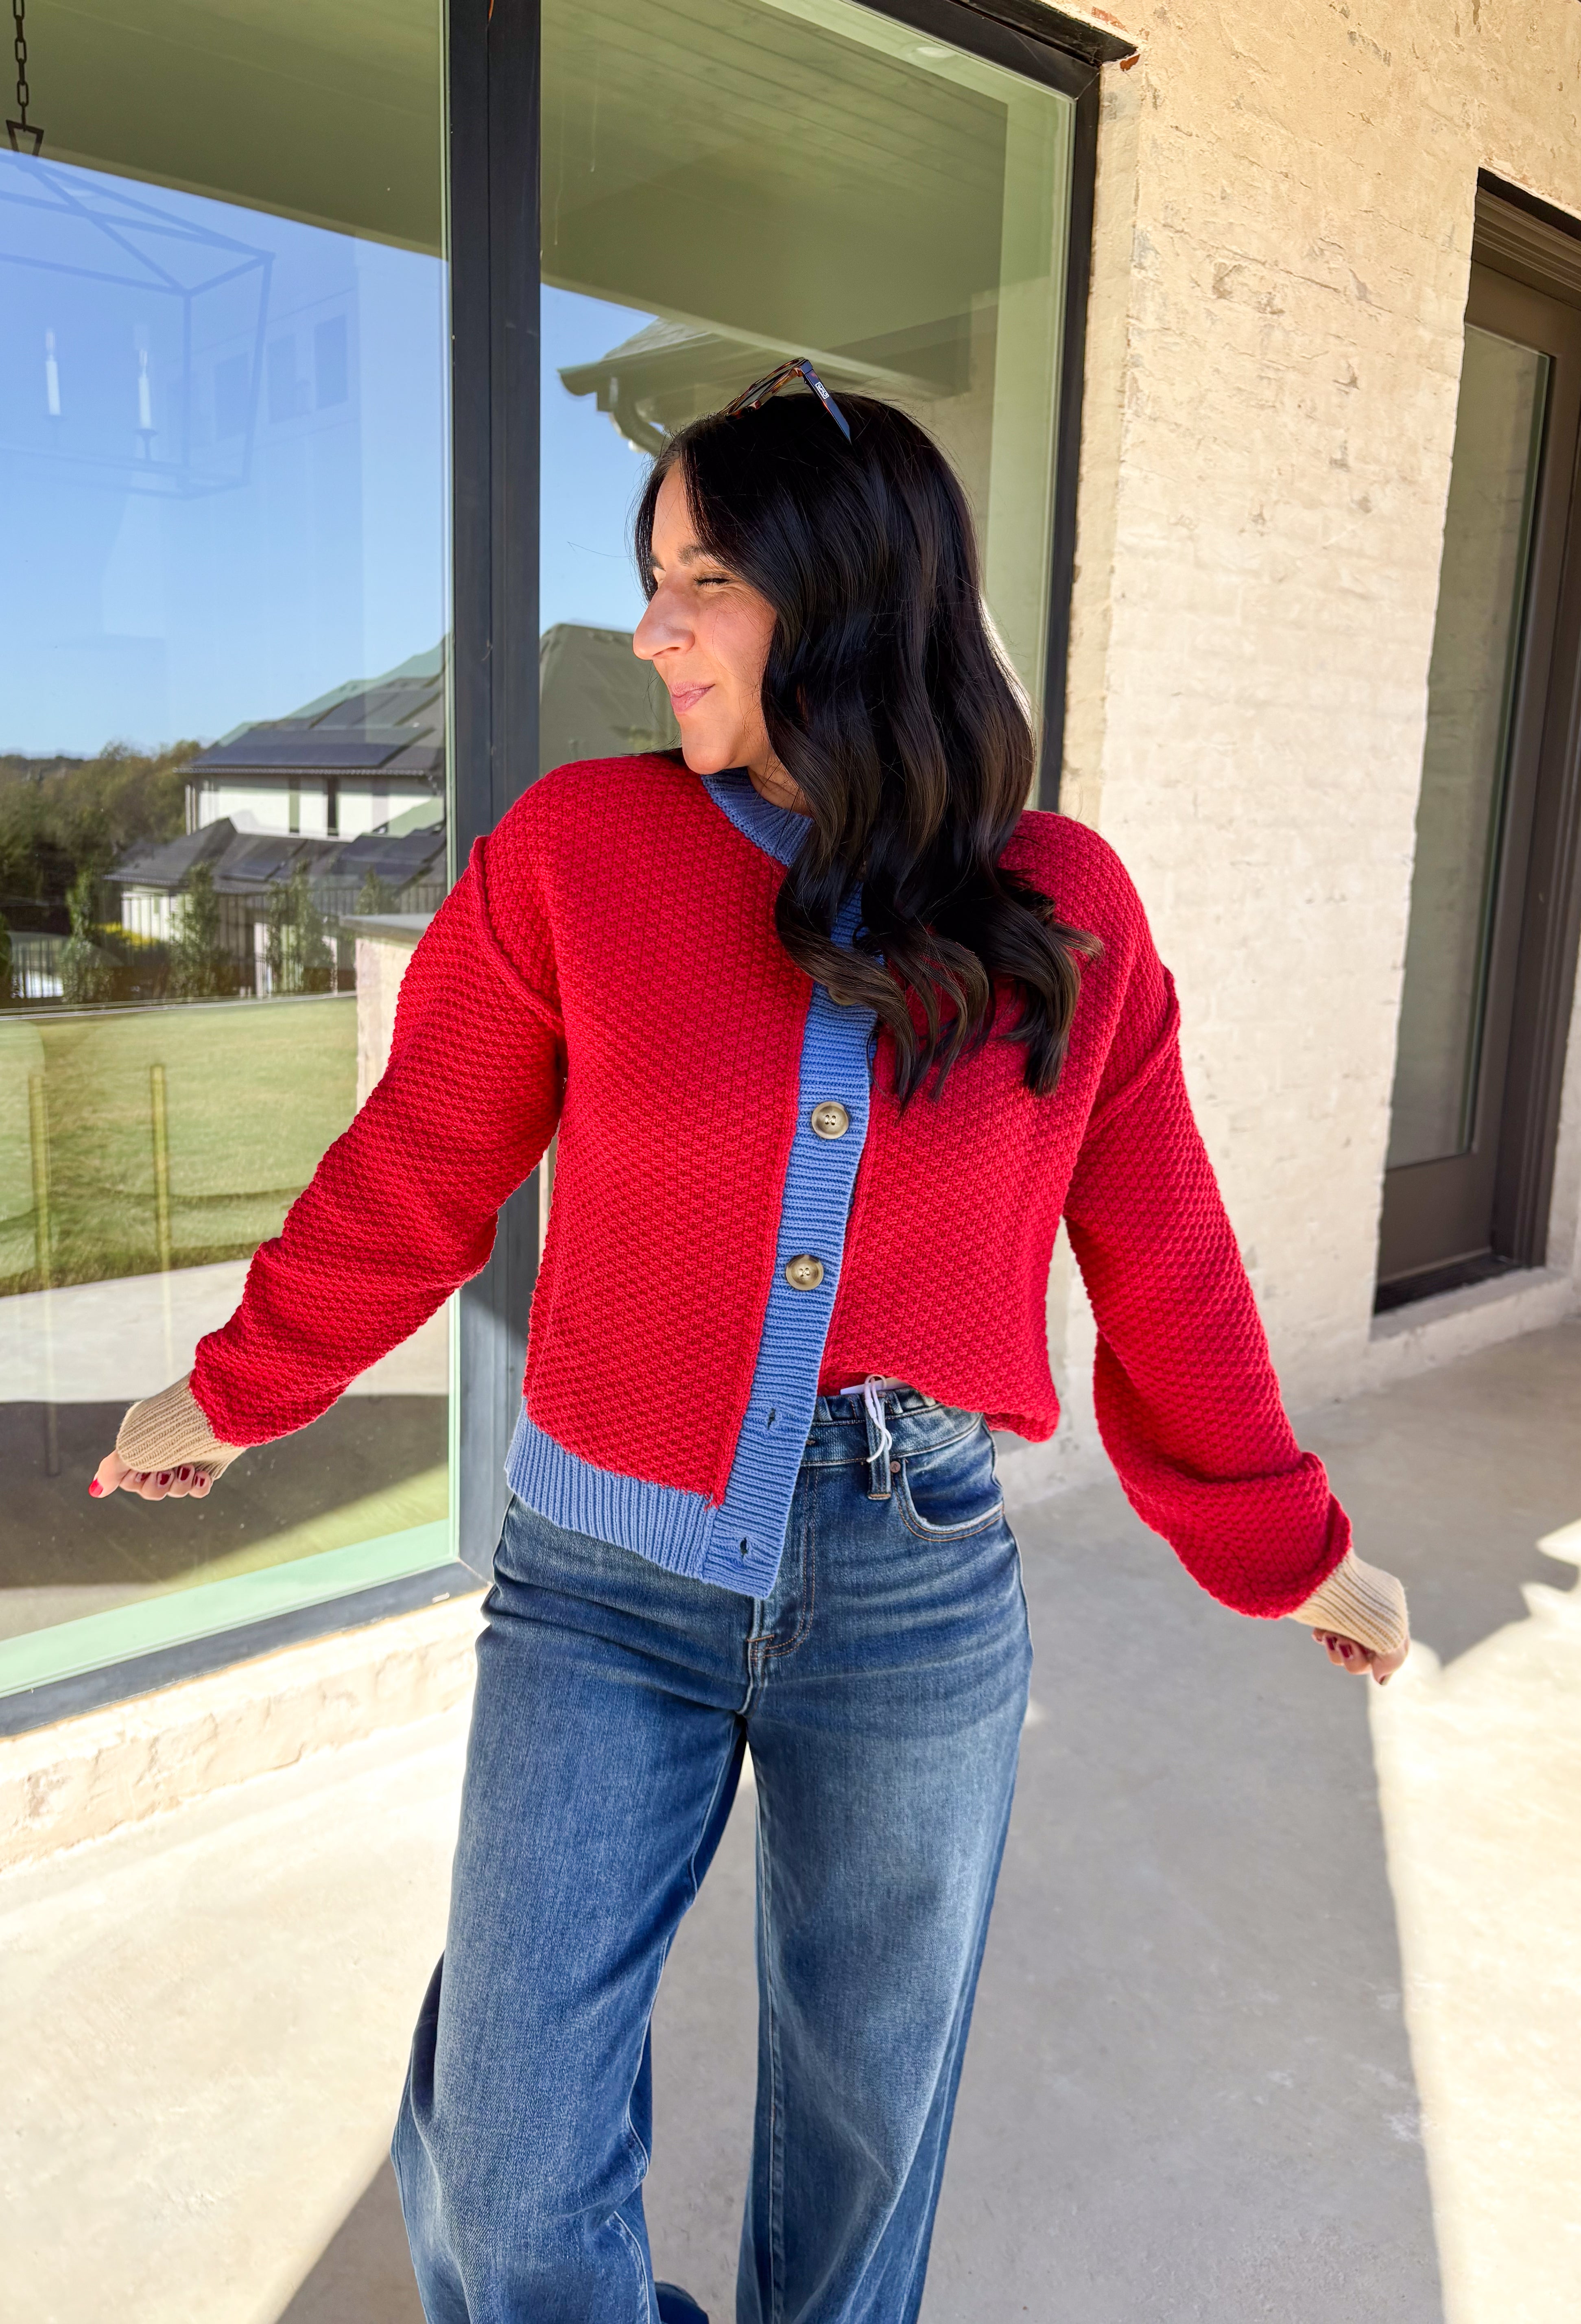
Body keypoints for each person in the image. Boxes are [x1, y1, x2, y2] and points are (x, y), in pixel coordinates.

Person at [94, 372, 1410, 2324]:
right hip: (600, 1582)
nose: (653, 633)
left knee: (869, 2136)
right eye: (655, 579)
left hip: (917, 1585)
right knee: (511, 2165)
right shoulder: (579, 852)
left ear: (849, 595)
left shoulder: (1065, 909)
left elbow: (1169, 1264)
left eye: (702, 579)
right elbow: (422, 1162)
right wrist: (238, 1384)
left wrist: (1291, 1545)